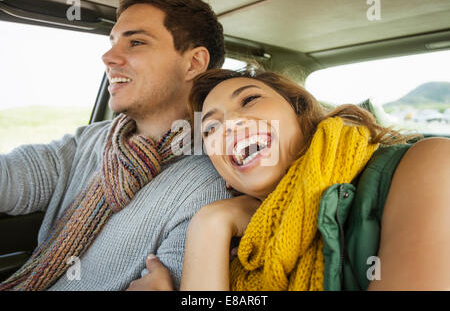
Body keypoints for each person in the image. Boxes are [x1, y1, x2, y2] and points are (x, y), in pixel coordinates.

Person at [132, 67, 450, 291]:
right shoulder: (238, 251)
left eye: (249, 100)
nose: (230, 125)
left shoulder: (428, 165)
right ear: (225, 177)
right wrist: (210, 224)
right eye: (211, 128)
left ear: (301, 114)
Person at [0, 0, 230, 291]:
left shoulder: (211, 181)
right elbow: (11, 176)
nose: (108, 57)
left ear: (193, 63)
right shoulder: (92, 139)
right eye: (112, 43)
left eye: (136, 42)